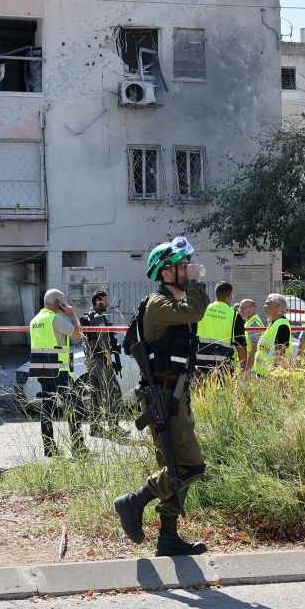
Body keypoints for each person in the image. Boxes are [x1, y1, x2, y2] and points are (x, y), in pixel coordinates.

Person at [113, 236, 209, 557]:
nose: (188, 269)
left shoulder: (173, 305)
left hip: (175, 394)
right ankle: (134, 501)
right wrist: (195, 283)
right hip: (163, 396)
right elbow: (196, 310)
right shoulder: (159, 305)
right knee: (189, 467)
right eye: (181, 266)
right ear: (165, 274)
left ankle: (167, 537)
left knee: (173, 465)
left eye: (187, 265)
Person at [27, 288, 89, 458]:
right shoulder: (55, 319)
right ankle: (78, 448)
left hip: (43, 371)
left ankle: (49, 448)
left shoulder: (36, 320)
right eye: (63, 300)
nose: (66, 303)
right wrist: (72, 314)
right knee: (75, 408)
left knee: (47, 409)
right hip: (59, 371)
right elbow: (79, 333)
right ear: (56, 303)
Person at [82, 289, 125, 436]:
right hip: (101, 360)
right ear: (97, 302)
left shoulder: (88, 316)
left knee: (96, 394)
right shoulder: (99, 318)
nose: (107, 303)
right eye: (104, 300)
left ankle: (94, 427)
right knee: (114, 392)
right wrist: (109, 361)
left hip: (91, 360)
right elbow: (103, 341)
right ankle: (114, 427)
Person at [195, 281, 249, 376]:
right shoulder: (234, 316)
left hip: (199, 365)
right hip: (223, 368)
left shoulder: (202, 310)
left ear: (216, 294)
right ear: (229, 296)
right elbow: (241, 346)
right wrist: (244, 372)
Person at [253, 294, 292, 374]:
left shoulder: (282, 325)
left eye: (267, 303)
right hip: (263, 374)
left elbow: (280, 354)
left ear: (277, 306)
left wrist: (277, 375)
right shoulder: (273, 323)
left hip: (270, 376)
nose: (264, 306)